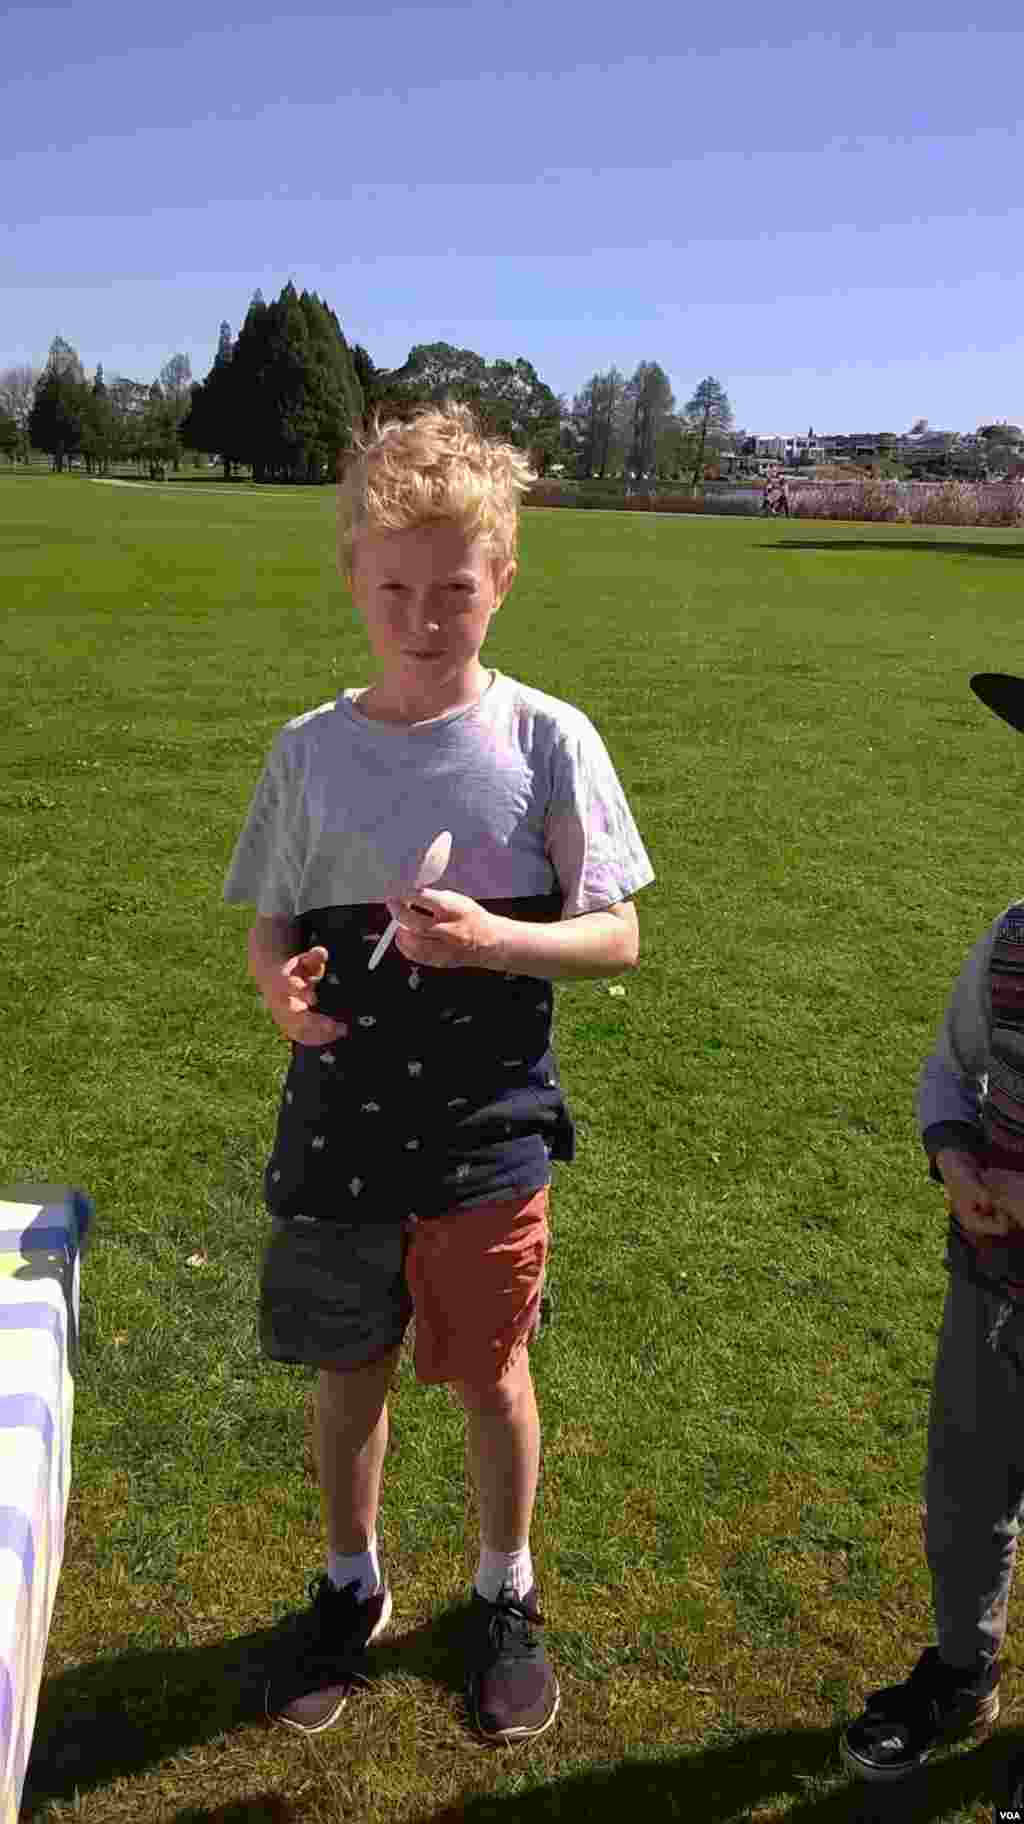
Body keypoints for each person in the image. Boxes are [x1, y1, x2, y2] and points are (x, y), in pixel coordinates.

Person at [223, 400, 656, 1745]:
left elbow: (620, 932)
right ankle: (349, 1584)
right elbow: (269, 921)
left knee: (488, 1373)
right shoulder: (309, 750)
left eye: (455, 590)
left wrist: (497, 939)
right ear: (354, 577)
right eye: (395, 588)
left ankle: (502, 1592)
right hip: (341, 1126)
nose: (424, 617)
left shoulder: (546, 741)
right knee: (347, 1370)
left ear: (504, 580)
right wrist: (280, 994)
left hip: (487, 1133)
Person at [841, 670, 1024, 1782]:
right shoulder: (1012, 935)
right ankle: (964, 1670)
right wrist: (953, 1155)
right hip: (992, 1274)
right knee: (966, 1486)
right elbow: (949, 1070)